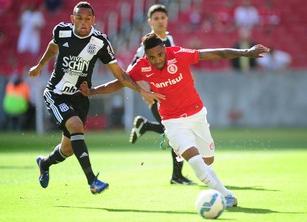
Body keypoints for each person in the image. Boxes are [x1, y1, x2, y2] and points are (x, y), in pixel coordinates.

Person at [79, 33, 269, 207]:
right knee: (197, 164)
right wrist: (93, 91)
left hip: (197, 115)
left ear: (165, 49)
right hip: (172, 121)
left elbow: (214, 54)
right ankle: (226, 195)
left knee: (208, 160)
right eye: (152, 57)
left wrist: (245, 52)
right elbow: (120, 81)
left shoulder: (178, 54)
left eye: (160, 55)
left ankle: (175, 143)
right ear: (146, 56)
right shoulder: (142, 66)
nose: (157, 60)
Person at [28, 2, 164, 195]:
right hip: (56, 94)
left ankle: (44, 163)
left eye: (87, 19)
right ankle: (93, 181)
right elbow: (53, 46)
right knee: (75, 126)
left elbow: (121, 75)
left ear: (94, 20)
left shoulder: (100, 42)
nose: (83, 23)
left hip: (80, 97)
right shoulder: (61, 31)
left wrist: (142, 91)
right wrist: (40, 66)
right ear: (72, 19)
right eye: (79, 18)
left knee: (68, 149)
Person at [127, 4, 194, 185]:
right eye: (155, 18)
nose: (160, 21)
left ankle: (145, 126)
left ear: (167, 19)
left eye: (162, 18)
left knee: (174, 131)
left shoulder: (169, 40)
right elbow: (129, 72)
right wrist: (145, 91)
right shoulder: (146, 47)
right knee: (176, 133)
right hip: (159, 99)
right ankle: (176, 176)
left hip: (173, 97)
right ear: (150, 22)